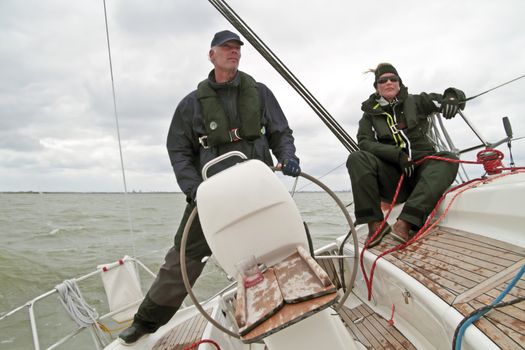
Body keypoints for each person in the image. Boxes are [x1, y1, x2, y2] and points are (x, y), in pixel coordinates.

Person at [119, 30, 301, 344]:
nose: (233, 52)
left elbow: (280, 132)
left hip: (258, 186)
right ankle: (145, 322)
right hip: (212, 195)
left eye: (237, 49)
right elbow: (178, 150)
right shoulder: (190, 105)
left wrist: (288, 156)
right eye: (226, 48)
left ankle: (301, 296)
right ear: (211, 55)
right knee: (183, 260)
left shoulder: (260, 93)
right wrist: (193, 190)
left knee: (289, 237)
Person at [346, 63, 465, 247]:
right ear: (377, 86)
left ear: (399, 83)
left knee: (449, 158)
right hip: (394, 178)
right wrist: (397, 155)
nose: (389, 82)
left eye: (393, 79)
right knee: (356, 158)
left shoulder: (417, 101)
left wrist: (452, 97)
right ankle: (375, 224)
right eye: (383, 80)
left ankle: (406, 222)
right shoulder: (369, 116)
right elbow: (365, 143)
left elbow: (447, 98)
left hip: (423, 173)